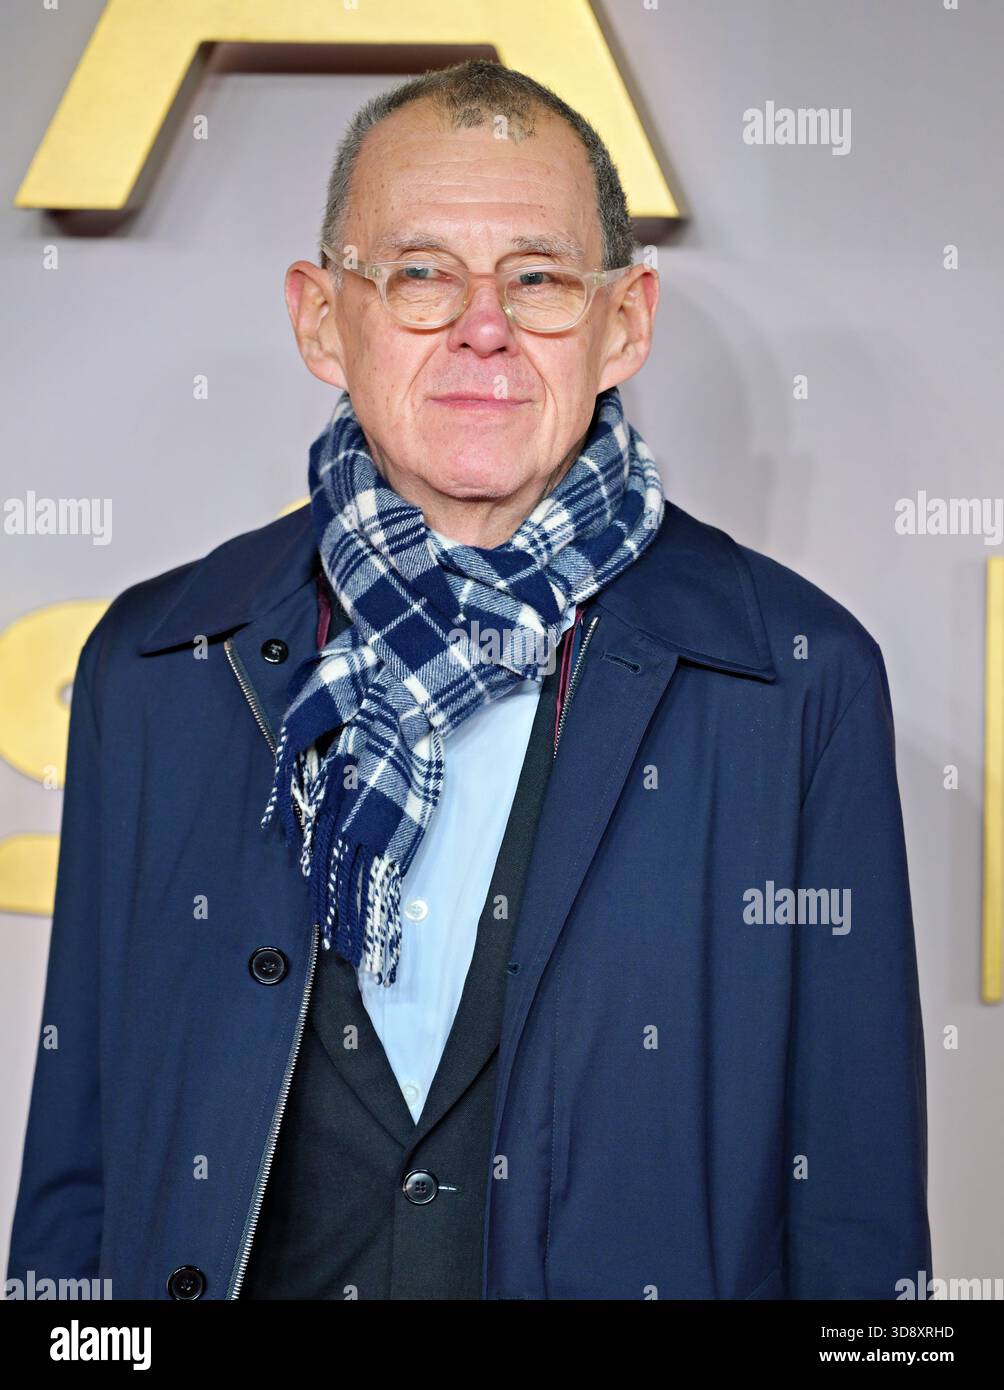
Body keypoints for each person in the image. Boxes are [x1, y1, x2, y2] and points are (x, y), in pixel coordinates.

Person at [7, 58, 930, 1301]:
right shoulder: (157, 659)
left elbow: (857, 1220)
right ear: (322, 318)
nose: (481, 326)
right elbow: (79, 1174)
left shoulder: (797, 677)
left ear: (625, 321)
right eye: (420, 273)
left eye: (538, 279)